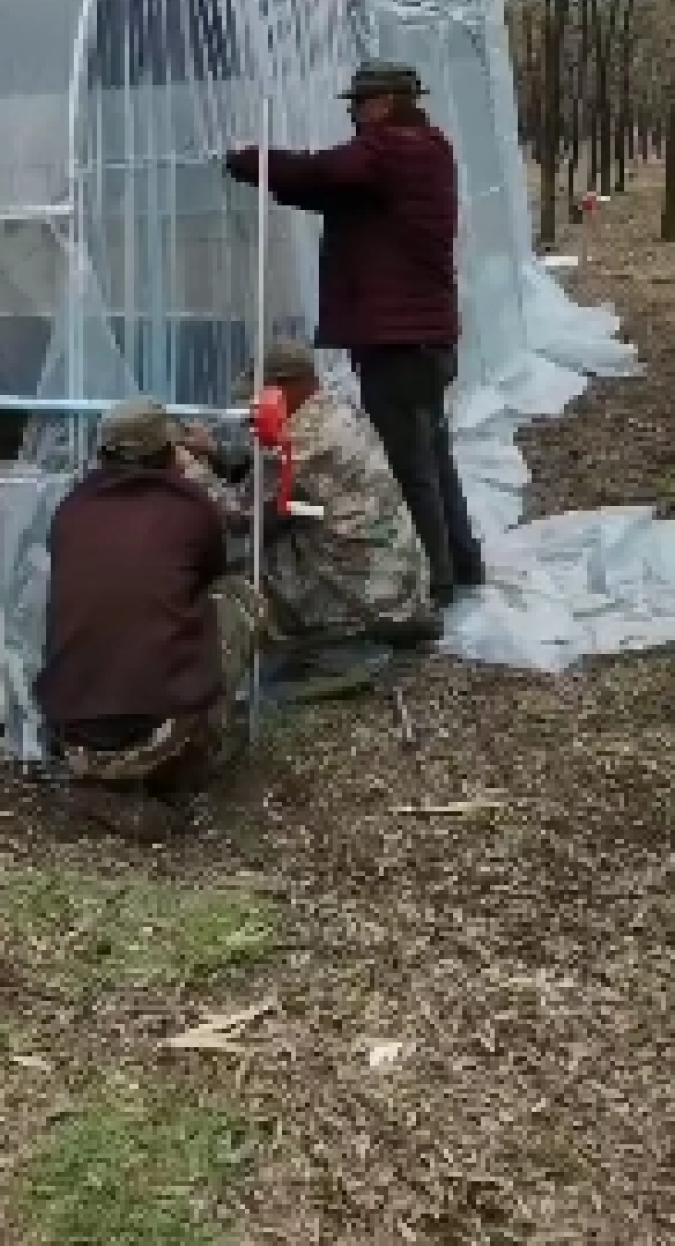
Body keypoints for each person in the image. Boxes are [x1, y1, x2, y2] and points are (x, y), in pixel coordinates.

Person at [224, 66, 484, 607]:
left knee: (409, 465)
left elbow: (320, 173)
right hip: (427, 338)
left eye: (360, 102)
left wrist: (247, 161)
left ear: (386, 103)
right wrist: (274, 178)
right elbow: (331, 191)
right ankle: (462, 562)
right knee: (433, 454)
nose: (353, 112)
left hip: (399, 345)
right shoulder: (428, 149)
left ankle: (430, 583)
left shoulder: (389, 150)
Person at [34, 398, 259, 834]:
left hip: (68, 731)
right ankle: (193, 754)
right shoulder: (192, 507)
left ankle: (97, 780)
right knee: (238, 597)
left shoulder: (71, 510)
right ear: (171, 452)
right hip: (160, 731)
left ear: (101, 454)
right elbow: (215, 568)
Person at [179, 337, 440, 651]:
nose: (254, 406)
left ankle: (336, 638)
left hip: (366, 598)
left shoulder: (302, 440)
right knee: (279, 528)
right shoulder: (337, 408)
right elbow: (287, 488)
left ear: (286, 386)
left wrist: (189, 467)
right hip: (396, 580)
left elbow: (240, 516)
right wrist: (217, 454)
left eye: (259, 395)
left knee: (230, 594)